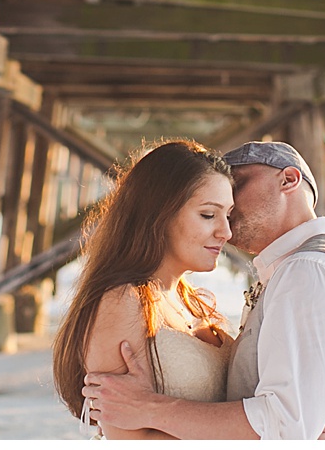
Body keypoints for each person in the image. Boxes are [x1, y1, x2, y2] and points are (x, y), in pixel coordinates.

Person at [82, 140, 325, 439]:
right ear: (161, 212)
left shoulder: (309, 270)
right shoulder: (129, 301)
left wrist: (151, 408)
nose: (227, 225)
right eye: (208, 213)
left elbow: (285, 426)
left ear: (289, 179)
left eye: (237, 185)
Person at [52, 140, 237, 439]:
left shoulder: (193, 302)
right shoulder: (123, 301)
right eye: (208, 215)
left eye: (228, 215)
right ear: (159, 214)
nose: (225, 232)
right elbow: (129, 441)